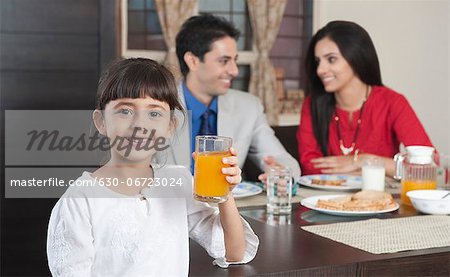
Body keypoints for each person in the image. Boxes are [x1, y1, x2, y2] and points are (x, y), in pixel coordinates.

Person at [46, 58, 259, 276]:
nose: (140, 124)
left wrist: (225, 193)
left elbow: (234, 252)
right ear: (101, 121)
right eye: (125, 111)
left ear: (170, 126)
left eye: (154, 113)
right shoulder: (79, 200)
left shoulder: (179, 182)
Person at [171, 13, 300, 182]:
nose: (234, 71)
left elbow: (282, 159)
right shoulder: (157, 106)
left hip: (229, 206)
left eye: (234, 60)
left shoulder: (248, 107)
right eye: (224, 61)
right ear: (192, 61)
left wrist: (282, 174)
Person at [297, 20, 433, 177]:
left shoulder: (392, 102)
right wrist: (381, 169)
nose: (320, 70)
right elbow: (310, 167)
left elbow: (428, 167)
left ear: (356, 57)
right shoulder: (312, 104)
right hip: (327, 199)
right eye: (318, 61)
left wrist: (365, 161)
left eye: (331, 59)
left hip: (381, 199)